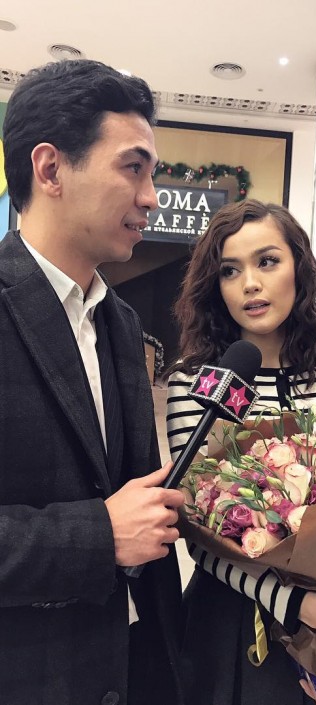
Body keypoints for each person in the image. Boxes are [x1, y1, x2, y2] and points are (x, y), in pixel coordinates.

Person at [0, 60, 185, 704]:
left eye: (152, 173)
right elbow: (112, 524)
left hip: (133, 664)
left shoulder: (120, 322)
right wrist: (98, 536)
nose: (151, 197)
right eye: (133, 168)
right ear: (51, 169)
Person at [165, 199, 316, 705]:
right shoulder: (194, 383)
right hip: (233, 626)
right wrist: (302, 606)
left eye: (267, 261)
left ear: (299, 267)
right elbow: (197, 531)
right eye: (230, 270)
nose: (250, 283)